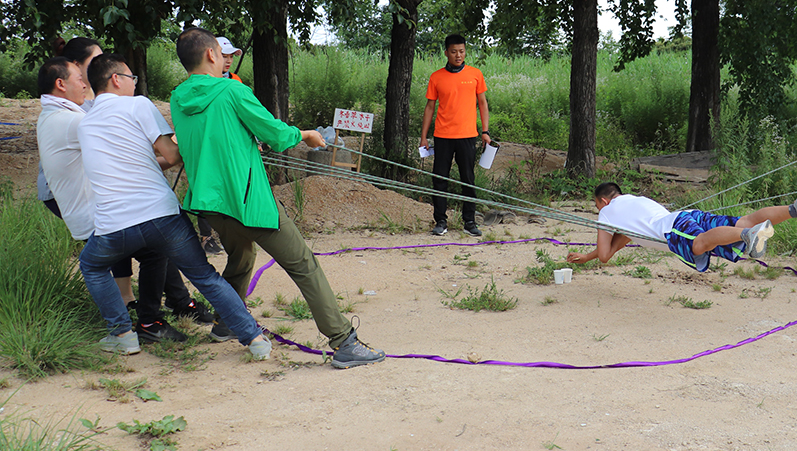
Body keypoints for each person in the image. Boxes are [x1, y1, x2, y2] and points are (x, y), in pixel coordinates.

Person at [170, 28, 385, 369]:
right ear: (211, 55)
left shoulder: (178, 99)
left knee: (240, 260)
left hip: (211, 205)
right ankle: (343, 341)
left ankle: (226, 323)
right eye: (221, 53)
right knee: (303, 264)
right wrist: (307, 135)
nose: (226, 59)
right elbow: (275, 133)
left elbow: (218, 136)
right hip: (247, 202)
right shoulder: (231, 91)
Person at [74, 53, 270, 358]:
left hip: (114, 225)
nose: (134, 85)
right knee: (204, 276)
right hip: (161, 216)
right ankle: (254, 339)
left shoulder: (85, 125)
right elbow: (173, 155)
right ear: (116, 79)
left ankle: (123, 334)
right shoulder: (138, 105)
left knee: (91, 265)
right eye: (131, 79)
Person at [566, 182, 797, 271]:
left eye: (597, 206)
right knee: (744, 220)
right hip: (685, 215)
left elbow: (605, 255)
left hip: (672, 228)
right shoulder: (635, 201)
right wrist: (585, 256)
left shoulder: (608, 213)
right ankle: (794, 210)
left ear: (603, 201)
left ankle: (747, 236)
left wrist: (594, 252)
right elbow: (622, 240)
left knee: (699, 244)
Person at [420, 33, 490, 237]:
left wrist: (485, 131)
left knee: (468, 178)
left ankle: (469, 221)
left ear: (465, 51)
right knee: (440, 179)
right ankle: (440, 221)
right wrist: (424, 137)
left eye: (461, 51)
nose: (458, 55)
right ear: (446, 53)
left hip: (468, 135)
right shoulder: (436, 77)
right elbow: (430, 107)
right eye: (454, 52)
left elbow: (483, 103)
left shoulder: (475, 74)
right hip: (442, 136)